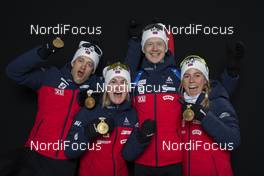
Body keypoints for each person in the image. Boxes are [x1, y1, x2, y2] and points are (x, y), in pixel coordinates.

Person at [124, 21, 244, 176]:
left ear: (166, 47)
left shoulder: (179, 75)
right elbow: (119, 81)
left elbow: (213, 89)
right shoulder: (136, 77)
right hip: (142, 161)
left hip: (175, 161)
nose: (154, 49)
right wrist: (134, 42)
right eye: (149, 44)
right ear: (143, 48)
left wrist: (231, 72)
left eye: (159, 44)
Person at [5, 38, 103, 176]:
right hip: (35, 154)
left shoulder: (95, 88)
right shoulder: (51, 77)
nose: (83, 67)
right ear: (73, 62)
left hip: (64, 161)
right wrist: (46, 50)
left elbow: (123, 83)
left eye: (89, 64)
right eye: (80, 60)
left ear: (92, 71)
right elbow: (13, 71)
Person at [65, 62, 155, 176]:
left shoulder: (132, 114)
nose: (118, 86)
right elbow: (69, 151)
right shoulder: (89, 111)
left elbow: (128, 155)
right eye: (113, 82)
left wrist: (142, 138)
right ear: (107, 87)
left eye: (123, 82)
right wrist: (89, 131)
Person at [179, 55, 240, 176]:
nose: (191, 80)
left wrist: (204, 116)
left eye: (197, 75)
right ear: (182, 82)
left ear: (205, 80)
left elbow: (233, 141)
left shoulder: (218, 102)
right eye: (186, 76)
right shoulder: (178, 106)